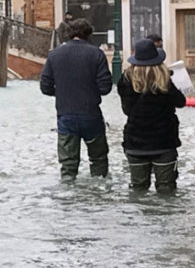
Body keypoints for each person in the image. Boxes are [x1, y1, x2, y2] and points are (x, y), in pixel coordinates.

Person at [40, 18, 113, 183]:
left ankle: (67, 203)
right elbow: (105, 88)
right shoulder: (96, 54)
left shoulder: (54, 54)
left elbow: (45, 87)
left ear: (69, 34)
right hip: (91, 114)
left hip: (66, 114)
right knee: (99, 161)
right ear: (88, 34)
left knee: (67, 166)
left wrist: (63, 93)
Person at [118, 38, 187, 193]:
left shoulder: (125, 81)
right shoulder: (165, 82)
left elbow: (127, 111)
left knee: (138, 191)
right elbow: (181, 102)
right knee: (166, 191)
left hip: (135, 144)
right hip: (164, 143)